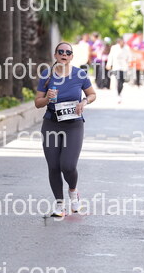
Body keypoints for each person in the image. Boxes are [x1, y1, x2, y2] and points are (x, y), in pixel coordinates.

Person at [35, 42, 96, 217]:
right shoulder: (47, 75)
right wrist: (47, 98)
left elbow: (92, 94)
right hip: (51, 124)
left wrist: (84, 102)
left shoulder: (80, 74)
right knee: (54, 166)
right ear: (55, 55)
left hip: (73, 125)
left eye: (68, 52)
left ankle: (73, 192)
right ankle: (59, 205)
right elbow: (37, 103)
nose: (64, 54)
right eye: (60, 52)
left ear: (71, 57)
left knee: (68, 166)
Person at [106, 38, 132, 103]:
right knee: (118, 80)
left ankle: (119, 92)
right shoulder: (114, 48)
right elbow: (110, 56)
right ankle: (118, 94)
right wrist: (109, 64)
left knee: (122, 81)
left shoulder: (127, 48)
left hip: (124, 66)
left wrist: (129, 63)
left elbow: (129, 57)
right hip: (116, 66)